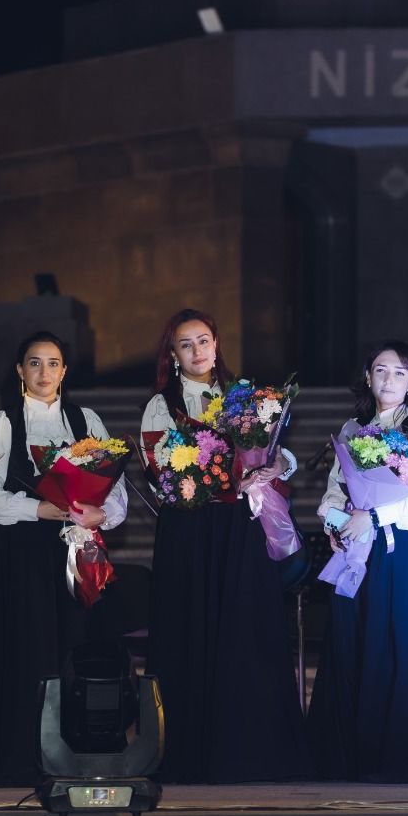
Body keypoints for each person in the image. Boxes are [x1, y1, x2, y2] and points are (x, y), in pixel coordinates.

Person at [140, 308, 311, 783]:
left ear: (217, 344)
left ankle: (251, 754)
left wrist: (277, 467)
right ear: (173, 356)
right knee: (189, 634)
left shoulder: (244, 397)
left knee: (246, 636)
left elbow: (276, 450)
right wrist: (195, 471)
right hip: (189, 533)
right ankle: (190, 755)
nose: (197, 351)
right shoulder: (161, 405)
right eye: (186, 345)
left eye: (204, 341)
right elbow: (160, 473)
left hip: (240, 528)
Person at [0, 331, 128, 786]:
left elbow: (114, 484)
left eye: (53, 363)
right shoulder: (2, 422)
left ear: (64, 371)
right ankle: (24, 756)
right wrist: (35, 508)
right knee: (28, 652)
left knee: (79, 648)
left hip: (77, 550)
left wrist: (101, 513)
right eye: (34, 363)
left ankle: (81, 751)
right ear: (20, 371)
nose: (44, 372)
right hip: (21, 555)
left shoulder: (85, 418)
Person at [307, 342, 408, 782]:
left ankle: (406, 757)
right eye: (380, 370)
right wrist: (338, 523)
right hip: (356, 549)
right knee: (354, 646)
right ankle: (355, 756)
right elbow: (336, 489)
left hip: (402, 551)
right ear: (368, 378)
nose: (389, 379)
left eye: (399, 372)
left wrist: (372, 515)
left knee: (405, 648)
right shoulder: (353, 427)